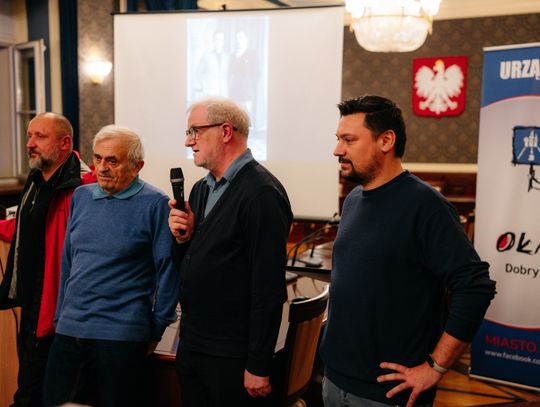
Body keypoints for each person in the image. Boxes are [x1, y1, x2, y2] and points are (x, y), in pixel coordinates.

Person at [319, 95, 496, 407]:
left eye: (349, 140)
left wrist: (435, 367)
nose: (337, 150)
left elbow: (475, 286)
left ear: (386, 141)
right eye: (338, 139)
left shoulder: (426, 206)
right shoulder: (354, 200)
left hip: (387, 394)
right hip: (334, 380)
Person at [168, 97, 292, 407]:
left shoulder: (261, 194)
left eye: (195, 131)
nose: (188, 141)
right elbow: (190, 264)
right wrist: (183, 239)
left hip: (231, 355)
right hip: (193, 344)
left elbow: (268, 288)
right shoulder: (201, 189)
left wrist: (258, 365)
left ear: (225, 131)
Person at [43, 125, 179, 406]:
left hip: (121, 337)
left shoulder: (156, 203)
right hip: (70, 331)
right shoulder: (81, 196)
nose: (102, 168)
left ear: (137, 166)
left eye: (113, 160)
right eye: (98, 158)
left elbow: (169, 271)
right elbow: (69, 263)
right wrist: (60, 317)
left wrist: (156, 329)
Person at [0, 112, 91, 407]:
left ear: (65, 143)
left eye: (40, 136)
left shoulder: (85, 186)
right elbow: (27, 226)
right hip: (32, 304)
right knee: (28, 388)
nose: (30, 143)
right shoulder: (36, 179)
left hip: (63, 313)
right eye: (29, 136)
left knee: (49, 396)